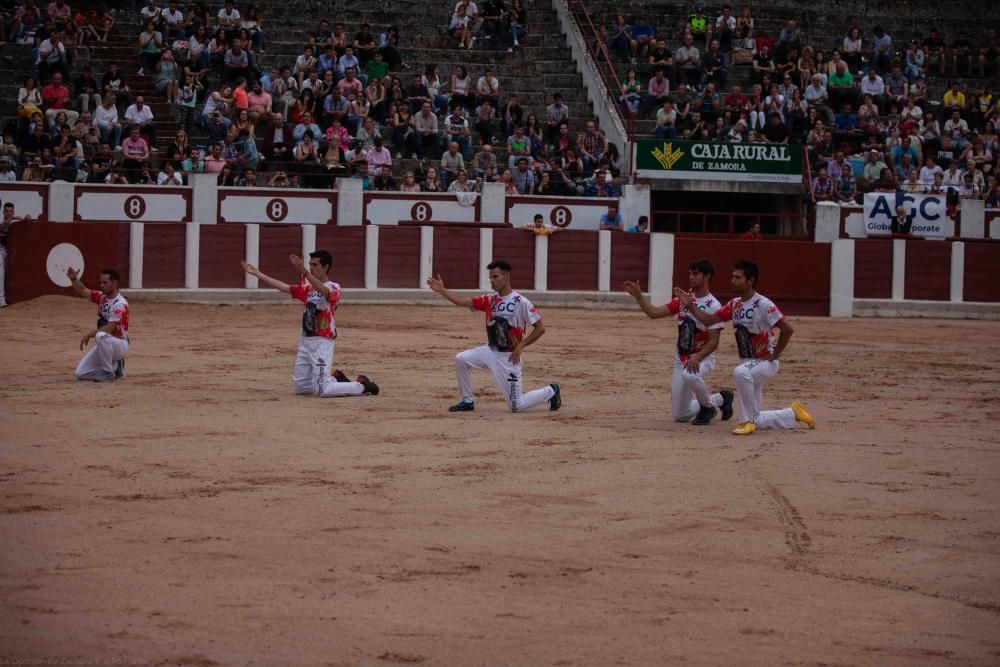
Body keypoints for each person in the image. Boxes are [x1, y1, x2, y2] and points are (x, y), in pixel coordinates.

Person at [674, 259, 815, 436]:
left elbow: (788, 329)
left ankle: (746, 422)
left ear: (750, 281)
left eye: (737, 277)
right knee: (757, 418)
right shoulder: (735, 304)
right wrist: (691, 306)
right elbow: (709, 320)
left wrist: (775, 354)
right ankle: (793, 413)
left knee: (740, 372)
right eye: (733, 277)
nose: (732, 280)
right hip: (749, 363)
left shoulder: (763, 304)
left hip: (765, 363)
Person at [426, 260, 560, 413]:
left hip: (509, 357)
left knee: (516, 406)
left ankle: (551, 391)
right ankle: (467, 401)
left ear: (506, 277)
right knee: (461, 359)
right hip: (490, 350)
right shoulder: (490, 299)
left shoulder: (521, 302)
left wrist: (521, 345)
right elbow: (462, 301)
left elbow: (540, 328)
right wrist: (442, 290)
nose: (492, 281)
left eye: (495, 277)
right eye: (490, 277)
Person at [240, 252, 379, 398]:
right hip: (305, 340)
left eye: (315, 265)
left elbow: (323, 290)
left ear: (326, 267)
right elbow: (284, 287)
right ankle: (335, 378)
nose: (312, 268)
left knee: (323, 390)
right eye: (310, 265)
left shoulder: (334, 287)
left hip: (322, 341)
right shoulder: (309, 290)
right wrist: (258, 274)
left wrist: (304, 272)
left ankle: (362, 385)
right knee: (302, 388)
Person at [624, 259, 734, 424]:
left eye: (695, 274)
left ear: (707, 276)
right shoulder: (683, 300)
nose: (691, 277)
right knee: (680, 415)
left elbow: (714, 342)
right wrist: (639, 297)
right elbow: (654, 313)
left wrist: (697, 357)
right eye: (690, 273)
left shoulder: (713, 306)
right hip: (681, 359)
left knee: (689, 376)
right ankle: (721, 398)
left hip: (702, 358)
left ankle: (707, 408)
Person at [66, 266, 129, 382]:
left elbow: (109, 329)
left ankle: (108, 372)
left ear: (114, 283)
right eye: (101, 282)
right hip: (106, 342)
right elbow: (83, 290)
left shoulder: (120, 304)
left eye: (105, 282)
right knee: (80, 373)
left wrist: (90, 334)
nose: (101, 285)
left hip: (119, 344)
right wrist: (74, 279)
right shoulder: (101, 297)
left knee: (100, 335)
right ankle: (114, 368)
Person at [0, 202, 29, 308]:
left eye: (10, 211)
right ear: (3, 212)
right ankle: (1, 300)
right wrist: (12, 219)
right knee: (1, 272)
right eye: (6, 211)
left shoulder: (16, 221)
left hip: (13, 252)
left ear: (13, 212)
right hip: (1, 249)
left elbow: (26, 222)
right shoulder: (2, 221)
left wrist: (26, 218)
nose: (8, 213)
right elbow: (2, 226)